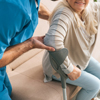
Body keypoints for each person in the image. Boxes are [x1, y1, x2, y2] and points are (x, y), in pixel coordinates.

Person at [42, 0, 100, 100]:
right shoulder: (64, 12)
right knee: (94, 85)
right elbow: (52, 41)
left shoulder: (90, 8)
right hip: (57, 65)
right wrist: (69, 69)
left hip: (78, 57)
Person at [0, 0, 55, 100]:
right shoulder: (12, 6)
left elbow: (35, 7)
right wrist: (30, 44)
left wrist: (57, 18)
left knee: (9, 90)